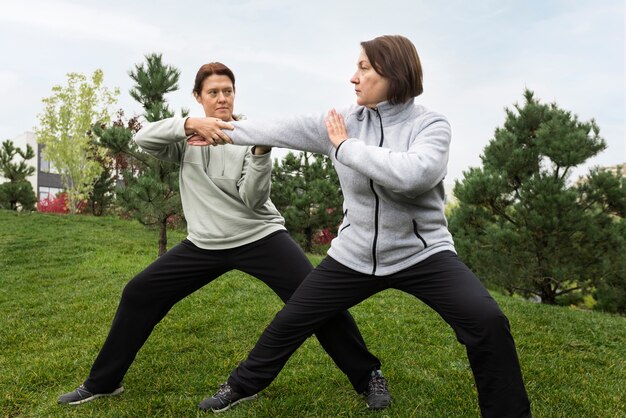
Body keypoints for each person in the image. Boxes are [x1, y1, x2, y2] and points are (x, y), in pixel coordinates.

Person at [188, 36, 532, 417]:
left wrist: (345, 147)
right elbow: (276, 128)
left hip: (422, 253)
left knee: (488, 321)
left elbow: (414, 175)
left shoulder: (430, 125)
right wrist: (217, 129)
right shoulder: (343, 121)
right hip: (353, 253)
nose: (354, 78)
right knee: (291, 320)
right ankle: (241, 385)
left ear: (394, 72)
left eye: (364, 68)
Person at [57, 62, 391, 412]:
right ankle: (103, 382)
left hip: (260, 236)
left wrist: (261, 153)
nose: (222, 98)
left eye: (227, 91)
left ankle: (368, 376)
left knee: (315, 301)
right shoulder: (185, 139)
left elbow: (253, 198)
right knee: (139, 292)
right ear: (198, 97)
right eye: (213, 92)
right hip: (204, 243)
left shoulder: (248, 133)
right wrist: (188, 124)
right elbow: (141, 139)